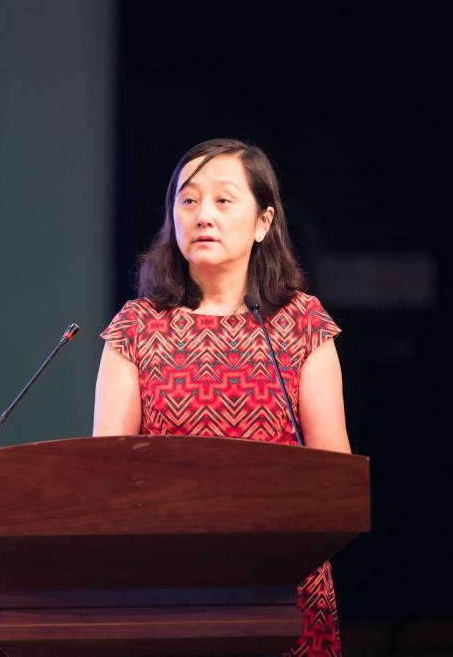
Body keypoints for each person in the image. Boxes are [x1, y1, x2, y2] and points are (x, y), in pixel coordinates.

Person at [93, 137, 350, 656]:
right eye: (188, 200)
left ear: (263, 223)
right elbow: (108, 475)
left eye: (223, 200)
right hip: (168, 588)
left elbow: (335, 476)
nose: (203, 215)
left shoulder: (301, 322)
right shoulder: (137, 327)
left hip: (285, 586)